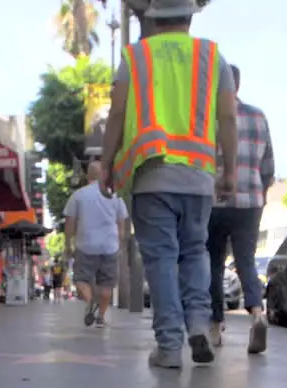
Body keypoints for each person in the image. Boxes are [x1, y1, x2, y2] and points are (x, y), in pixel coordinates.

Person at [99, 0, 238, 369]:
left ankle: (169, 346)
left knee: (160, 258)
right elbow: (227, 116)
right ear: (190, 16)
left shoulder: (135, 58)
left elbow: (116, 112)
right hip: (197, 173)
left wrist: (107, 164)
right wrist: (231, 170)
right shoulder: (213, 57)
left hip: (150, 172)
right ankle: (198, 323)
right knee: (194, 251)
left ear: (153, 19)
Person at [208, 64, 275, 354]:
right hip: (250, 201)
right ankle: (258, 314)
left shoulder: (208, 118)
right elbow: (269, 165)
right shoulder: (258, 115)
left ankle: (215, 326)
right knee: (245, 260)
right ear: (238, 84)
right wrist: (261, 191)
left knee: (212, 263)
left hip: (215, 201)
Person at [65, 161, 129, 328]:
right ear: (103, 175)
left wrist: (68, 244)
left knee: (80, 279)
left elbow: (70, 222)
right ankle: (101, 317)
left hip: (86, 245)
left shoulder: (78, 195)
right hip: (109, 246)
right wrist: (120, 243)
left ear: (88, 176)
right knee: (106, 284)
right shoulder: (115, 195)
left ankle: (89, 301)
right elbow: (121, 223)